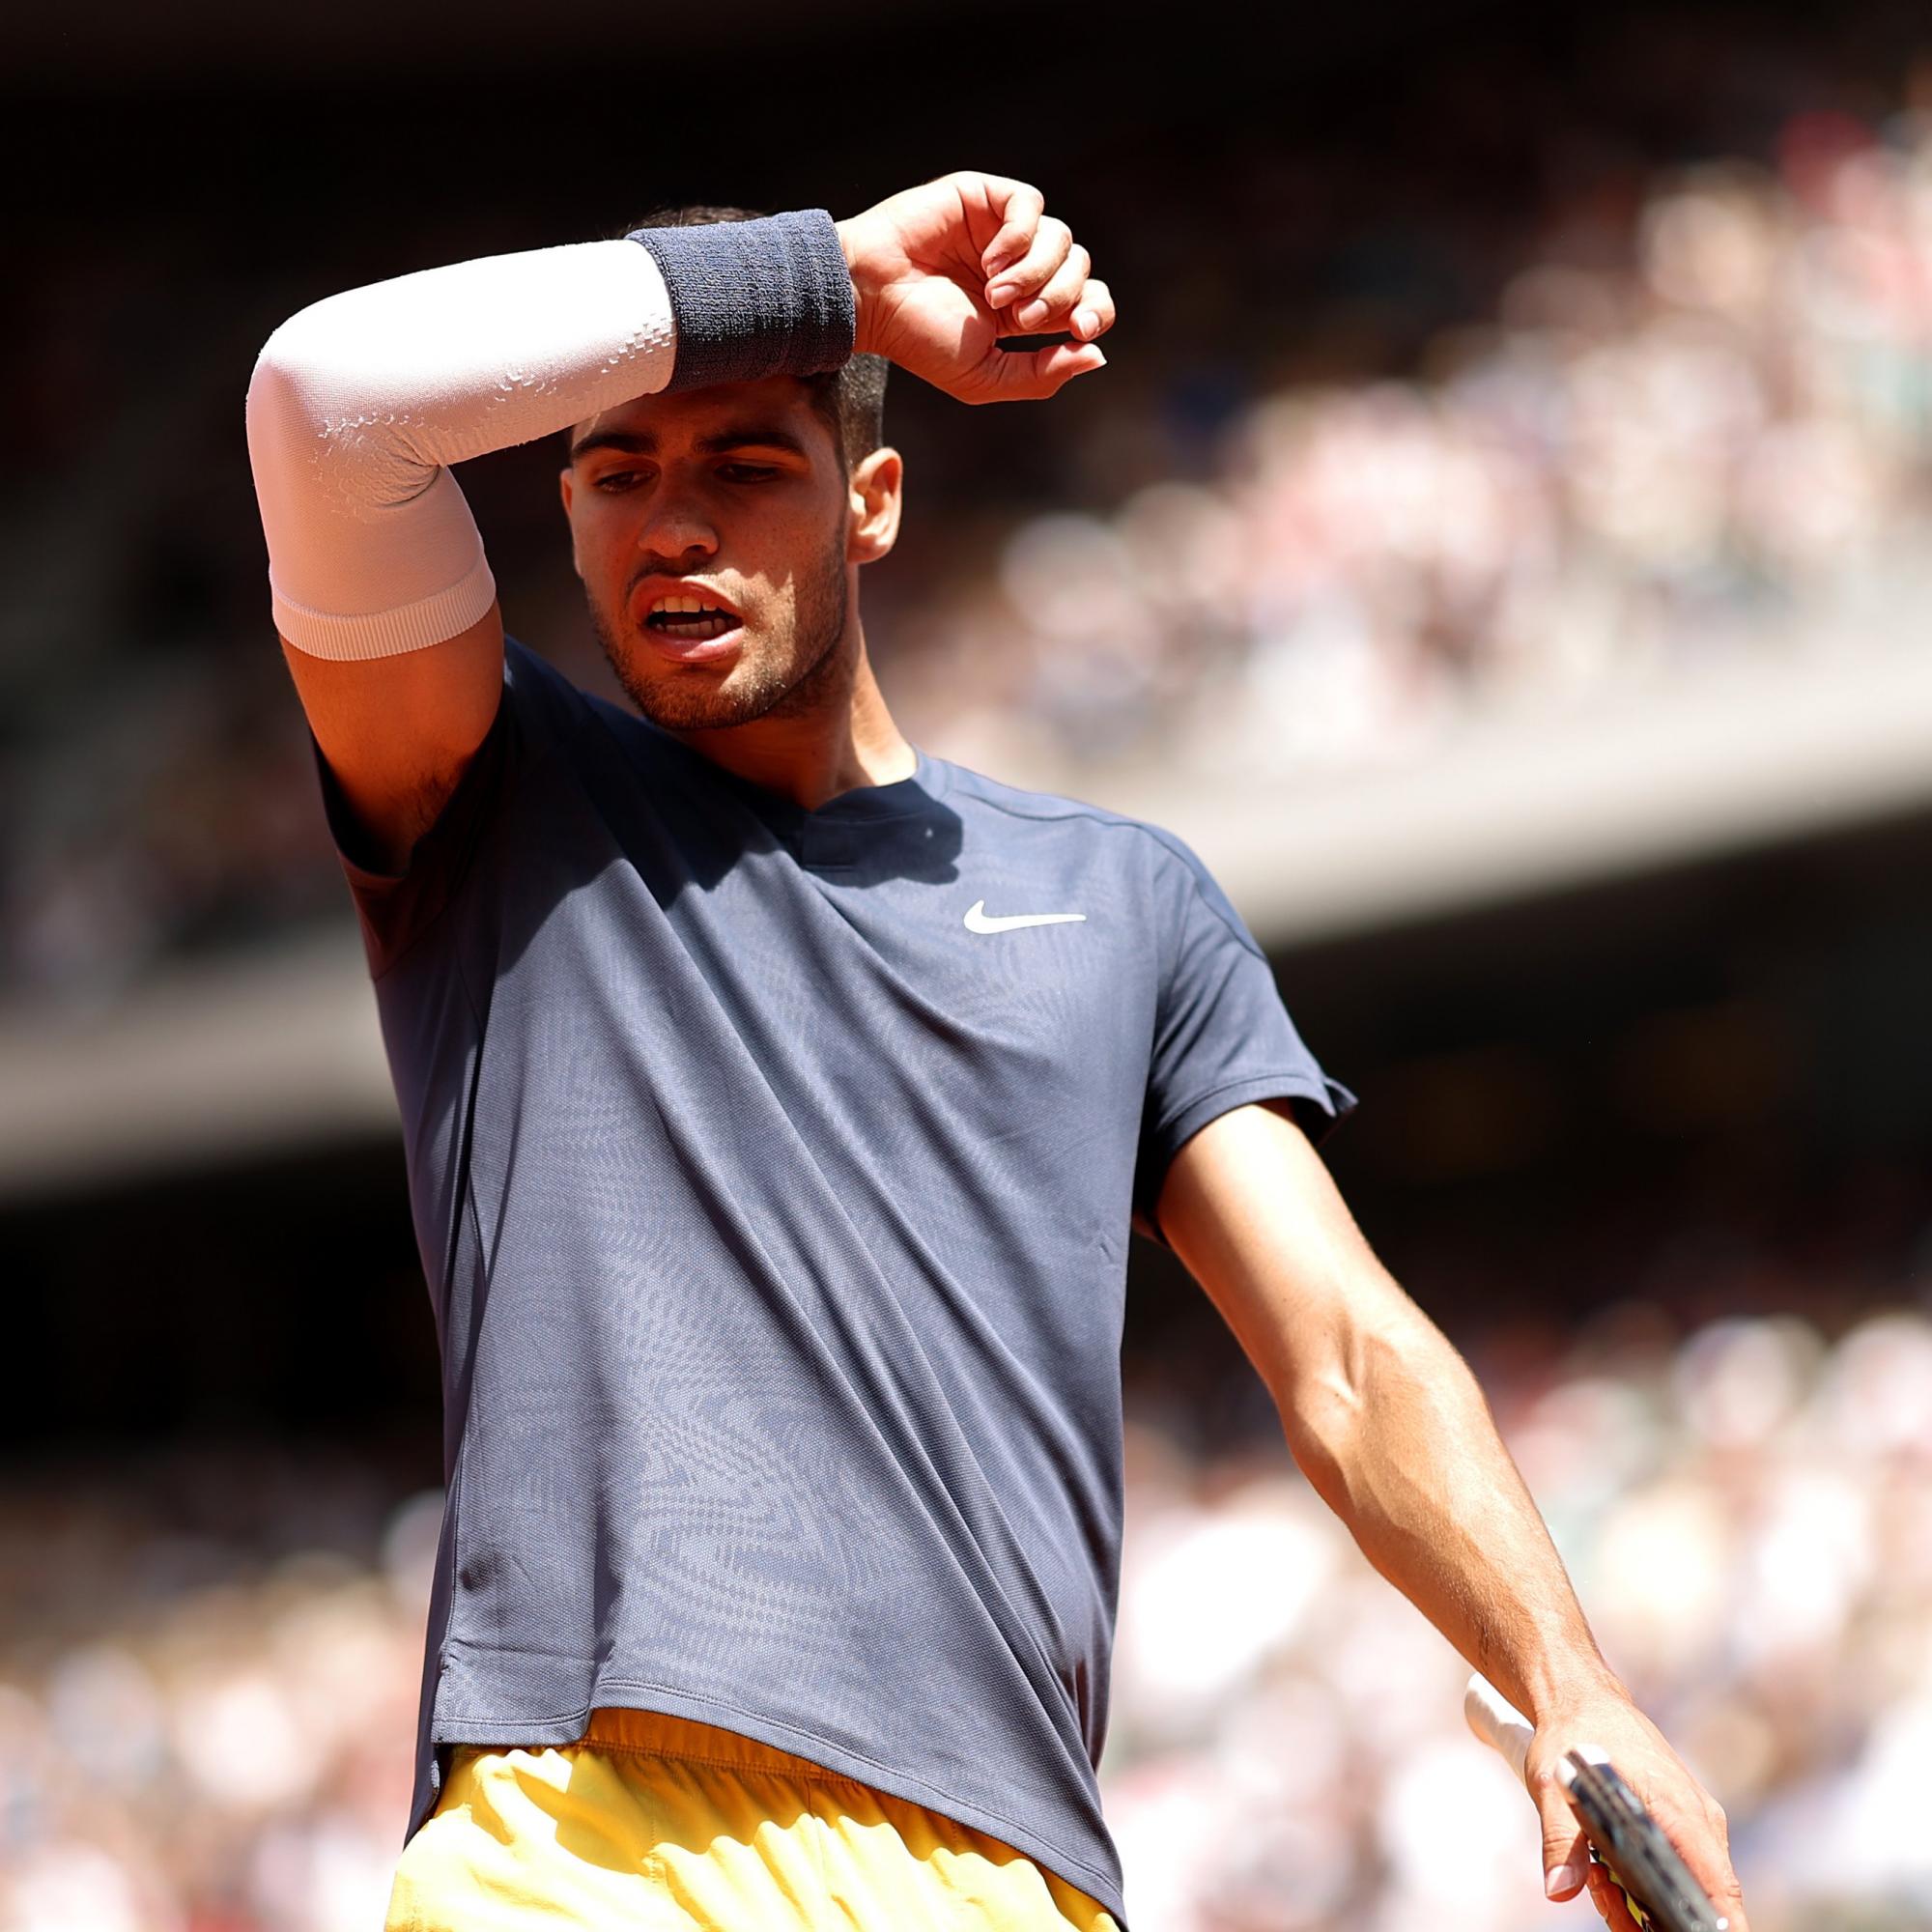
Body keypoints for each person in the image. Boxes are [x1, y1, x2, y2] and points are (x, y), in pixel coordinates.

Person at [244, 172, 1749, 1932]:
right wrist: (829, 284)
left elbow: (1343, 1348)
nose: (670, 525)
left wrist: (1571, 1681)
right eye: (615, 474)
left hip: (1005, 1870)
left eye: (745, 466)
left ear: (871, 501)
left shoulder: (1123, 902)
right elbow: (323, 402)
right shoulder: (497, 805)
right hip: (590, 1843)